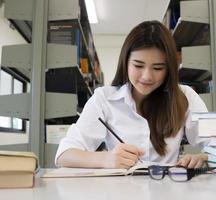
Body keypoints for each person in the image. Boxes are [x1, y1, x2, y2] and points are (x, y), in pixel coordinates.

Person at [55, 20, 208, 169]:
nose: (147, 76)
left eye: (158, 68)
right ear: (125, 62)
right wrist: (105, 159)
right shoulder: (104, 99)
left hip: (168, 190)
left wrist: (204, 157)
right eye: (138, 65)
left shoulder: (185, 97)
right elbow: (64, 155)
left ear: (169, 69)